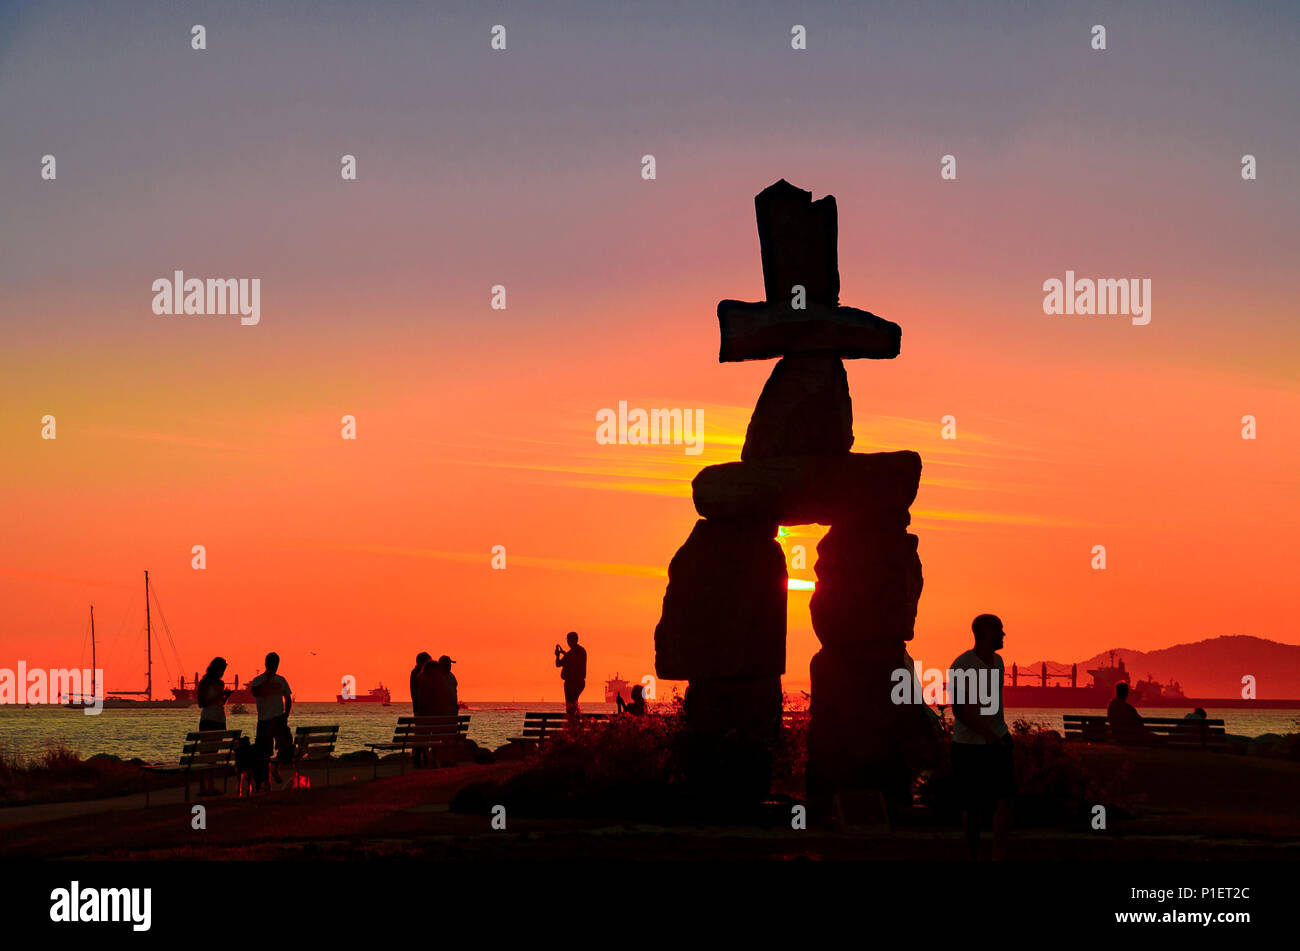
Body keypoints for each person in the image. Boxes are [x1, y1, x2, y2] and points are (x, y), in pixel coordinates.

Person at [948, 614, 1015, 861]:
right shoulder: (962, 665)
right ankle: (972, 855)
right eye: (1000, 630)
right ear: (986, 632)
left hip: (998, 740)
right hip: (969, 747)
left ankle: (999, 854)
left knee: (1006, 799)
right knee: (973, 808)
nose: (1004, 634)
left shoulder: (999, 662)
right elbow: (959, 710)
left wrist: (1001, 736)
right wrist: (988, 735)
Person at [249, 652, 294, 783]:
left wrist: (286, 714)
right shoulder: (258, 680)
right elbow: (255, 692)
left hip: (279, 719)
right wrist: (268, 680)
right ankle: (266, 780)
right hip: (264, 720)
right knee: (264, 753)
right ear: (266, 664)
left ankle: (274, 768)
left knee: (286, 746)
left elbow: (288, 697)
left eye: (276, 664)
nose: (275, 666)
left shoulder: (281, 680)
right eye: (272, 664)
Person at [196, 657, 233, 794]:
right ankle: (202, 786)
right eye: (221, 670)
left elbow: (220, 703)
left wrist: (226, 696)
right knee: (205, 755)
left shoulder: (220, 683)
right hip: (208, 720)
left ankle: (211, 785)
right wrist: (219, 695)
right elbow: (202, 703)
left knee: (214, 755)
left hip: (219, 720)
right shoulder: (205, 682)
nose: (222, 673)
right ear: (215, 669)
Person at [554, 631, 587, 715]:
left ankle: (573, 719)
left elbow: (573, 660)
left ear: (575, 640)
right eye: (567, 639)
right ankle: (573, 719)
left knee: (571, 704)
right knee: (571, 704)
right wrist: (558, 655)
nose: (568, 642)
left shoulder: (580, 651)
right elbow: (558, 664)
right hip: (570, 682)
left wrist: (563, 654)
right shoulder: (571, 653)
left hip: (575, 682)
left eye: (569, 639)